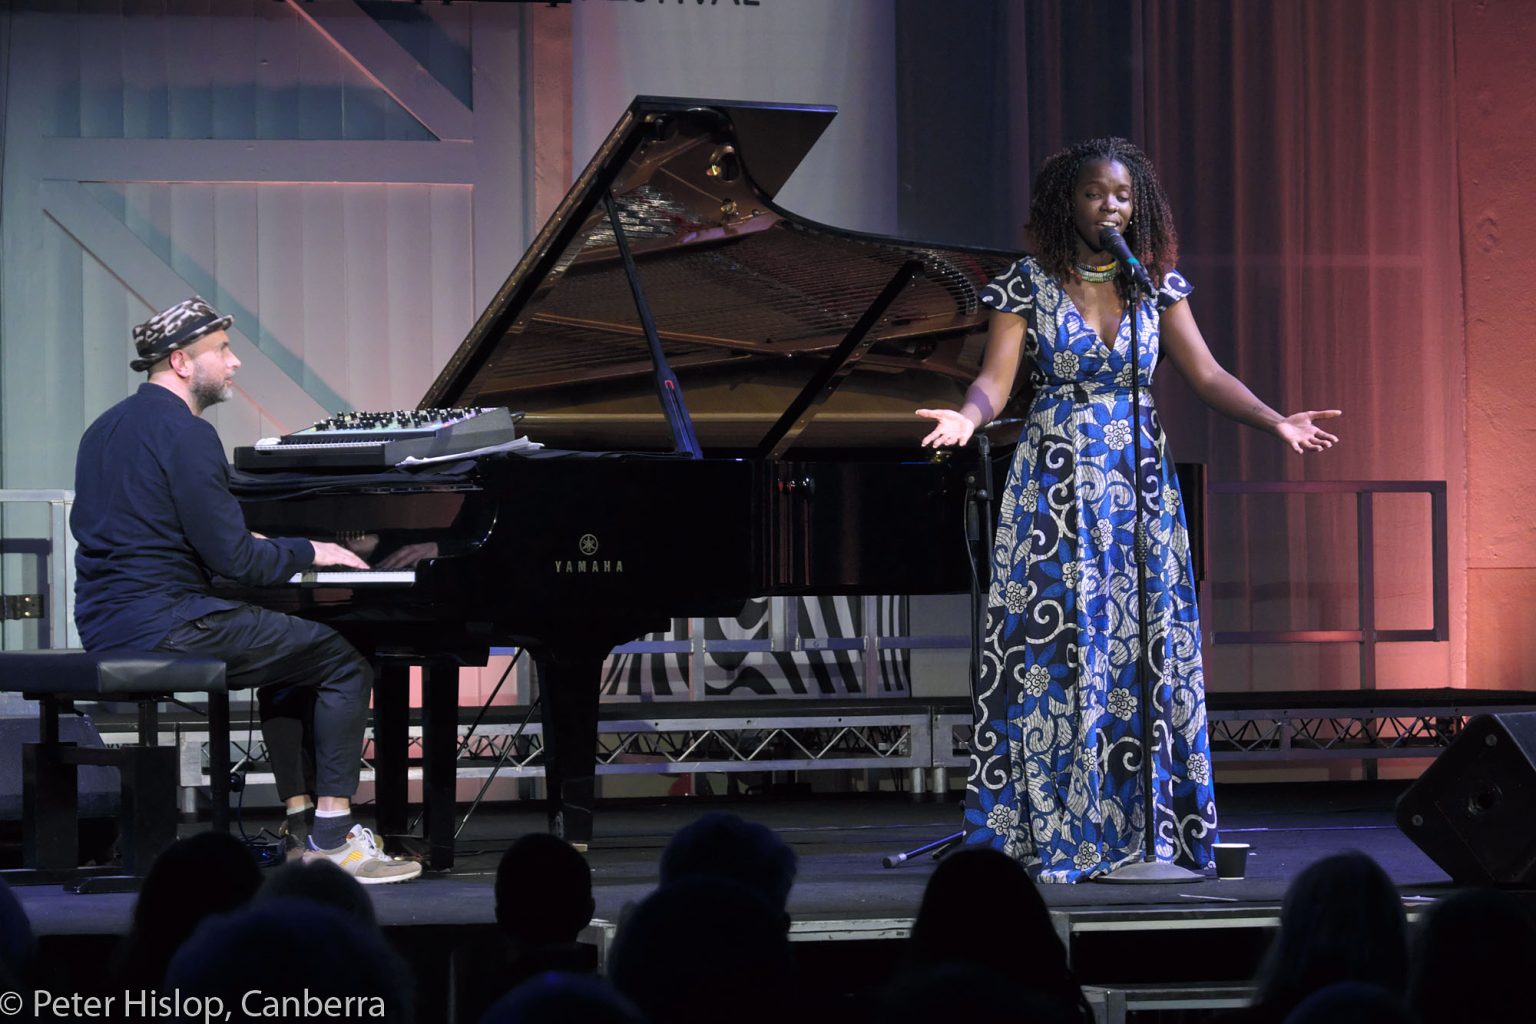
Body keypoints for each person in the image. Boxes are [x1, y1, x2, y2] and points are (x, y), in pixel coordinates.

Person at [917, 139, 1340, 882]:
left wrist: (1275, 420)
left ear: (1135, 204)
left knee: (1141, 648)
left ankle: (1145, 834)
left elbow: (1206, 375)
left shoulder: (1156, 288)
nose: (1108, 206)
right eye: (1093, 194)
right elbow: (993, 379)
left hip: (1137, 486)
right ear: (1065, 202)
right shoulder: (1027, 286)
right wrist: (967, 419)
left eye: (1120, 196)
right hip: (1053, 486)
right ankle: (1051, 828)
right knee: (1056, 657)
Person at [71, 296, 419, 883]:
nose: (233, 365)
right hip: (172, 622)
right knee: (342, 661)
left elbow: (160, 525)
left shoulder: (105, 429)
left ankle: (297, 822)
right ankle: (335, 840)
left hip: (106, 622)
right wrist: (312, 549)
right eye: (222, 351)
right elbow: (234, 559)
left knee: (291, 658)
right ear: (182, 362)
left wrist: (253, 537)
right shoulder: (187, 433)